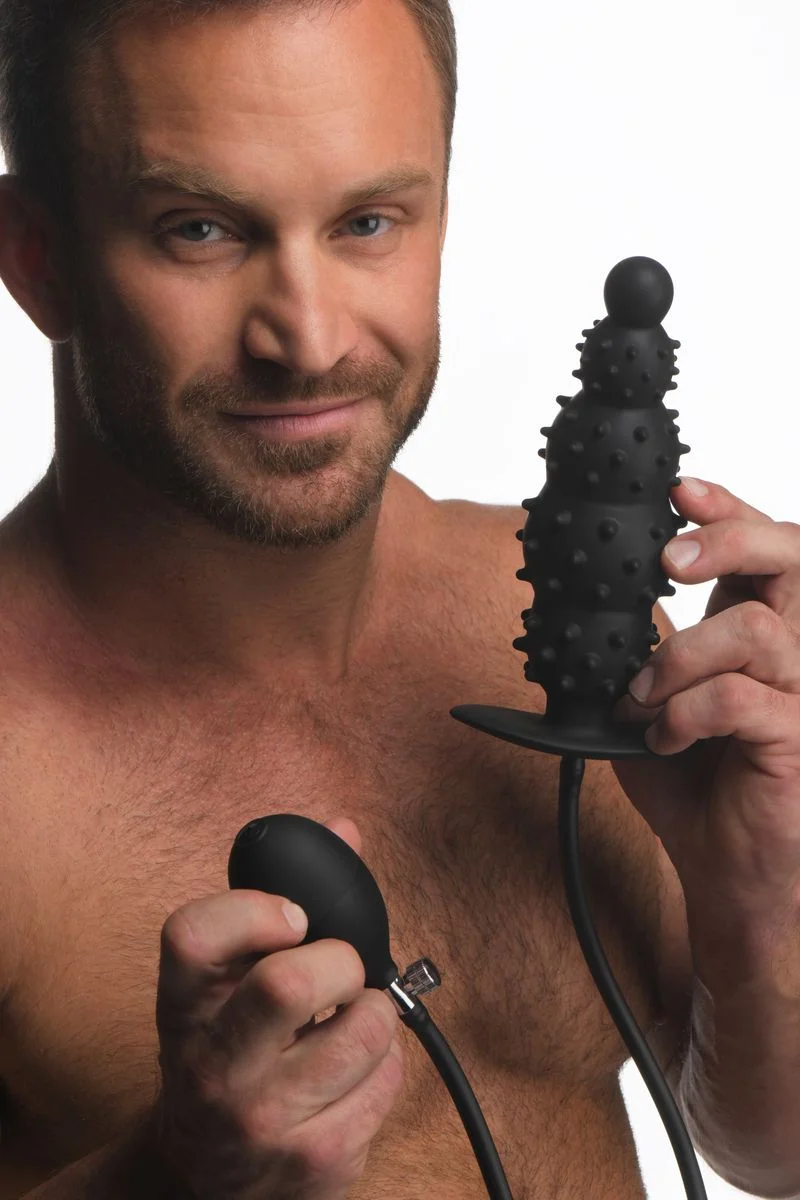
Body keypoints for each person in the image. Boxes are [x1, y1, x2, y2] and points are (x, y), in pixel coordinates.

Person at [1, 0, 799, 1196]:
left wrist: (760, 899)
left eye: (366, 222)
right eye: (200, 230)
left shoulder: (539, 624)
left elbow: (770, 1151)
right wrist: (166, 1177)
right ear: (38, 258)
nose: (309, 339)